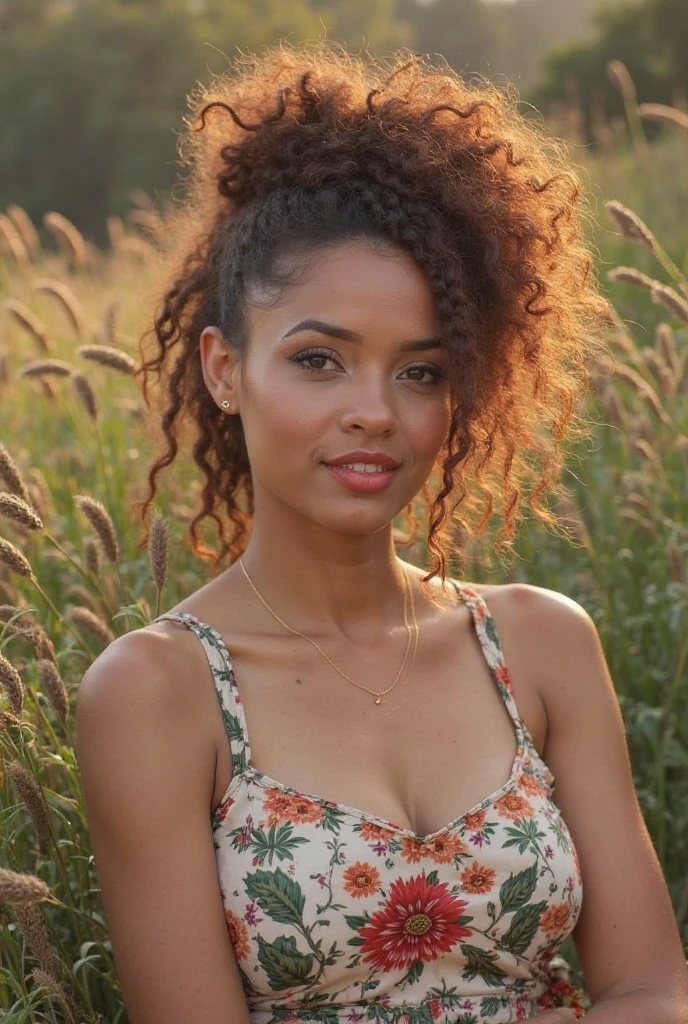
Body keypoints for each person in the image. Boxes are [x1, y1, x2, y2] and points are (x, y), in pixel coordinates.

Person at [75, 42, 688, 1024]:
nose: (375, 411)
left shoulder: (538, 643)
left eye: (420, 371)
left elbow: (651, 988)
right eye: (320, 360)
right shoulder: (158, 693)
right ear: (224, 369)